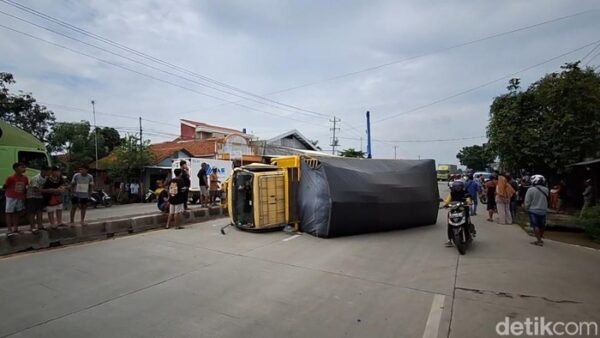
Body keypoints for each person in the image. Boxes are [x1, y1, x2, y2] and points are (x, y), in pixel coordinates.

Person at [442, 180, 475, 247]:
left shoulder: (465, 193)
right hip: (453, 210)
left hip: (463, 210)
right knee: (450, 225)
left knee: (465, 224)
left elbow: (468, 199)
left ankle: (468, 237)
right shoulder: (452, 193)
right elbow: (447, 200)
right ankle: (450, 240)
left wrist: (468, 202)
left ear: (462, 187)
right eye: (456, 187)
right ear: (453, 187)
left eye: (459, 186)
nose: (457, 188)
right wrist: (445, 204)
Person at [3, 163, 28, 235]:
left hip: (20, 197)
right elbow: (5, 186)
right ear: (16, 169)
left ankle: (15, 228)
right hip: (11, 197)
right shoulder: (10, 178)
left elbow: (25, 187)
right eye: (22, 167)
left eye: (24, 167)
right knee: (9, 212)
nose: (24, 168)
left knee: (16, 213)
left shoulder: (25, 178)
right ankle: (9, 229)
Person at [524, 175, 549, 246]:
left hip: (533, 210)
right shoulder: (546, 189)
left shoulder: (530, 189)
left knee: (535, 225)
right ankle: (540, 238)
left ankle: (538, 240)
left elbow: (527, 201)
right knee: (542, 225)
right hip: (543, 210)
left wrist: (526, 208)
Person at [26, 165, 50, 233]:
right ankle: (32, 227)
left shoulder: (46, 178)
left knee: (39, 211)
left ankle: (40, 225)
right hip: (32, 196)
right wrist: (51, 190)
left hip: (40, 196)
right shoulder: (36, 178)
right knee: (32, 212)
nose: (49, 173)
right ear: (43, 171)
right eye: (48, 171)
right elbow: (37, 189)